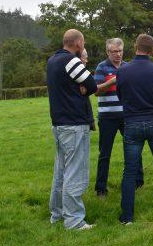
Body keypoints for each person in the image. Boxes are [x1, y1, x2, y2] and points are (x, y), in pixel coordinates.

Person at [47, 29, 115, 230]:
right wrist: (83, 87)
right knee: (75, 173)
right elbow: (92, 86)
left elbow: (83, 87)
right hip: (74, 124)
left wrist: (81, 87)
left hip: (58, 124)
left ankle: (56, 214)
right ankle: (74, 221)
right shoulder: (72, 61)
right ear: (78, 44)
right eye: (83, 43)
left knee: (60, 172)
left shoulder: (52, 61)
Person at [117, 34, 153, 224]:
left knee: (130, 171)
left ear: (135, 47)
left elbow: (120, 96)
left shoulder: (123, 71)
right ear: (152, 50)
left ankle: (127, 217)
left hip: (132, 123)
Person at [94, 38, 144, 197]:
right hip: (107, 117)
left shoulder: (128, 67)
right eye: (114, 51)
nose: (117, 54)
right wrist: (114, 81)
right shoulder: (101, 67)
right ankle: (101, 188)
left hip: (127, 116)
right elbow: (96, 91)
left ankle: (138, 181)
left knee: (133, 149)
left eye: (120, 51)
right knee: (105, 153)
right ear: (108, 52)